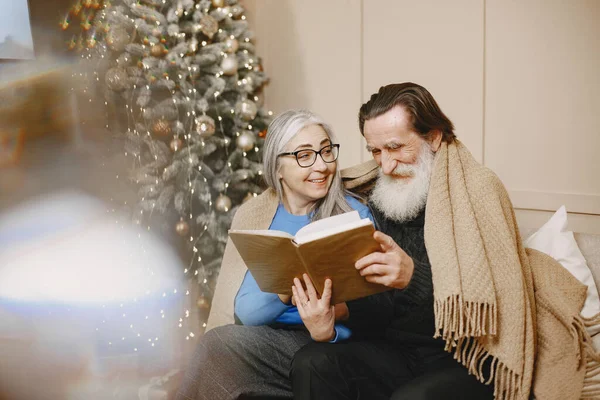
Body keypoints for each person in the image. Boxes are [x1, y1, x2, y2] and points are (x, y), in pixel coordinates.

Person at [290, 83, 498, 400]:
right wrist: (333, 319)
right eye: (375, 151)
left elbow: (489, 311)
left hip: (466, 360)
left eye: (396, 147)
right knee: (312, 361)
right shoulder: (383, 196)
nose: (385, 166)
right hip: (399, 352)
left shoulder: (478, 192)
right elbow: (381, 307)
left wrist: (412, 277)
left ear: (435, 137)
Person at [176, 109, 373, 400]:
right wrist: (288, 287)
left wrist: (329, 316)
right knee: (217, 347)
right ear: (277, 167)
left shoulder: (355, 213)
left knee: (215, 350)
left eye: (326, 151)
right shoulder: (256, 215)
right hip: (272, 341)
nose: (321, 166)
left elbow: (371, 304)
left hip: (333, 344)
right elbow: (245, 312)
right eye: (304, 156)